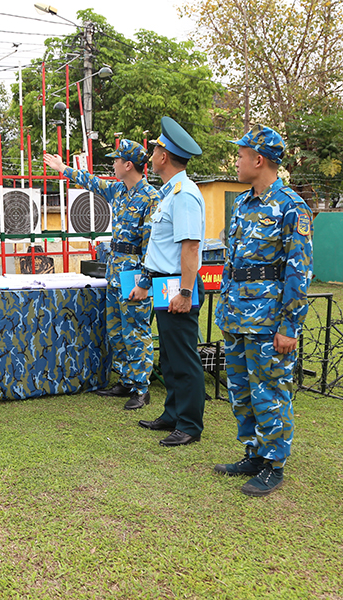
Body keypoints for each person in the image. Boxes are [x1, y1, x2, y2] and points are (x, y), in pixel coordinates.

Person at [213, 125, 313, 496]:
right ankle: (254, 454)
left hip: (269, 321)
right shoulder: (242, 204)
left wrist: (289, 325)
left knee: (270, 391)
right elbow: (232, 262)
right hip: (236, 315)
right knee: (241, 391)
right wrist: (225, 305)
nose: (237, 162)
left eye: (240, 156)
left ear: (259, 160)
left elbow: (298, 271)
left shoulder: (291, 207)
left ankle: (274, 464)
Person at [44, 140, 159, 410]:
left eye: (116, 160)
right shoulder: (119, 190)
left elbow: (152, 246)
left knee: (135, 330)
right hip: (115, 269)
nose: (113, 164)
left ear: (128, 165)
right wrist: (63, 168)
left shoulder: (151, 197)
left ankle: (141, 388)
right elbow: (92, 182)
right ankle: (126, 380)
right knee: (116, 329)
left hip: (134, 272)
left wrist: (145, 281)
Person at [131, 117, 206, 446]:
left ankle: (189, 424)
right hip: (166, 283)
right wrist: (147, 282)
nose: (152, 155)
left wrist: (186, 292)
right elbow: (161, 248)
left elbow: (190, 247)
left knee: (183, 356)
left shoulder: (184, 194)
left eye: (155, 150)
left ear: (164, 157)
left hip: (179, 285)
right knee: (170, 356)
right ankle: (172, 414)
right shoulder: (170, 193)